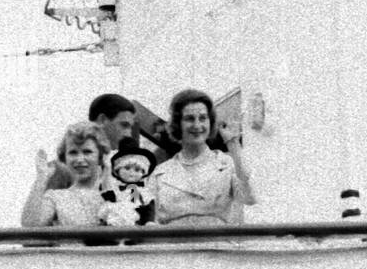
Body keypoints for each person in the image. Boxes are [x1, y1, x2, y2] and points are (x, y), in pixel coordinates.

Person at [149, 89, 255, 227]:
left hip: (216, 246)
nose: (197, 125)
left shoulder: (226, 164)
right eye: (189, 119)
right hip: (174, 246)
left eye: (203, 118)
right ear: (178, 124)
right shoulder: (160, 173)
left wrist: (233, 145)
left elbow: (249, 198)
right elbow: (148, 216)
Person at [22, 121, 116, 227]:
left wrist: (108, 175)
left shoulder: (118, 192)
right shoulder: (57, 197)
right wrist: (41, 178)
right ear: (65, 158)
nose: (80, 159)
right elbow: (30, 226)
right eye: (73, 153)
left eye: (87, 152)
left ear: (101, 156)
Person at [101, 143, 156, 225]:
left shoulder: (143, 193)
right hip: (114, 224)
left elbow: (148, 209)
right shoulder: (115, 190)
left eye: (137, 170)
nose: (131, 173)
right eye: (127, 168)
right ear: (117, 171)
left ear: (143, 173)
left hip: (137, 226)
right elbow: (104, 201)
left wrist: (149, 221)